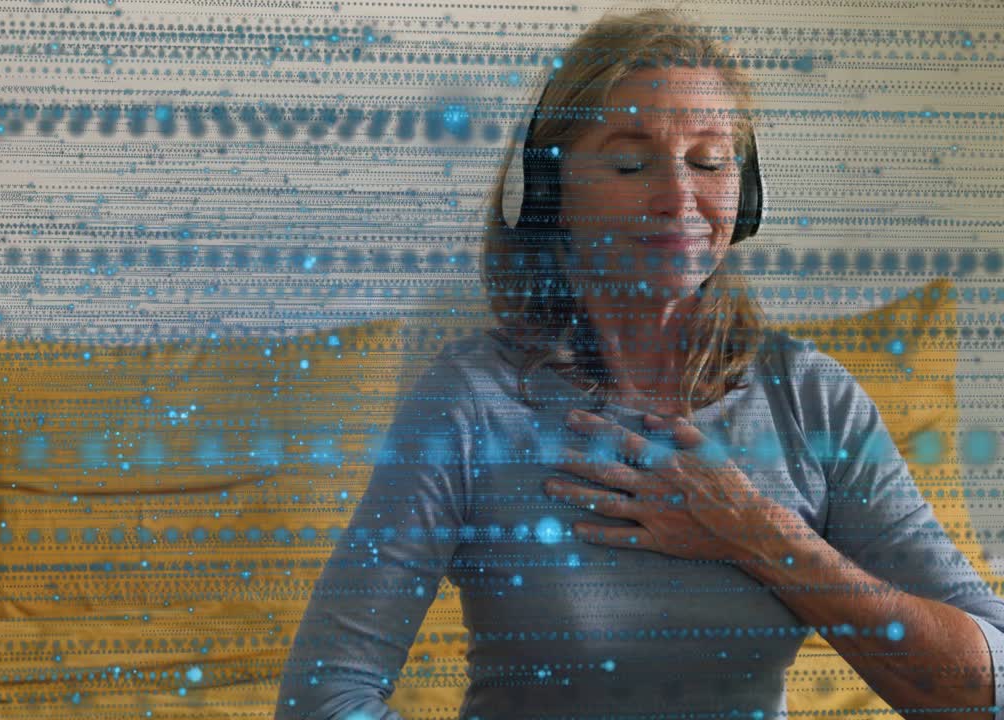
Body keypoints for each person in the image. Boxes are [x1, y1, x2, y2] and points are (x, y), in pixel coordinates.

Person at [275, 8, 1004, 719]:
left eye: (709, 161)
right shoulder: (470, 401)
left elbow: (987, 685)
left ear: (745, 198)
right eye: (630, 161)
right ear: (549, 191)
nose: (679, 198)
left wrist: (759, 535)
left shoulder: (812, 402)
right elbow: (324, 694)